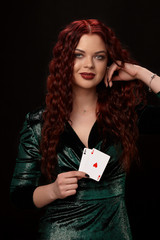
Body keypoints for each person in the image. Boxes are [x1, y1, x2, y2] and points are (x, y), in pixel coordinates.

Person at [10, 19, 160, 240]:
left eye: (99, 56)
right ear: (64, 60)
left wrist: (140, 73)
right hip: (59, 234)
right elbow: (19, 195)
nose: (89, 64)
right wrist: (52, 190)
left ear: (109, 61)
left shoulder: (126, 115)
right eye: (78, 55)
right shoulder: (37, 123)